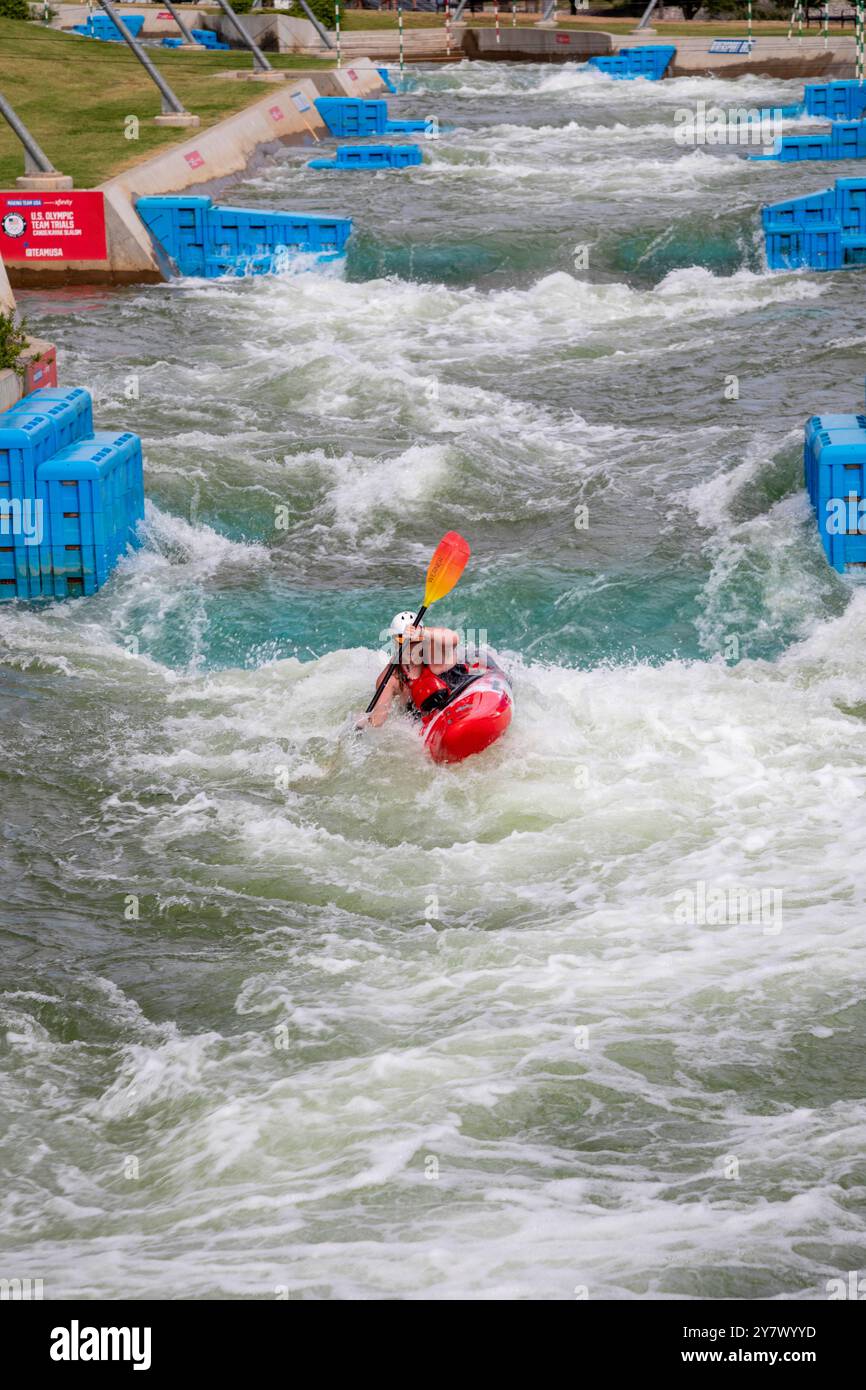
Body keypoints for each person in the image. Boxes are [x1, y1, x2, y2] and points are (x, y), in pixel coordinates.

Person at [361, 611, 469, 729]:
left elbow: (454, 638)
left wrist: (423, 631)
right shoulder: (391, 678)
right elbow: (378, 719)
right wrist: (363, 723)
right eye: (404, 640)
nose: (412, 646)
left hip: (459, 697)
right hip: (424, 721)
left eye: (417, 639)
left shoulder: (436, 653)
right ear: (395, 641)